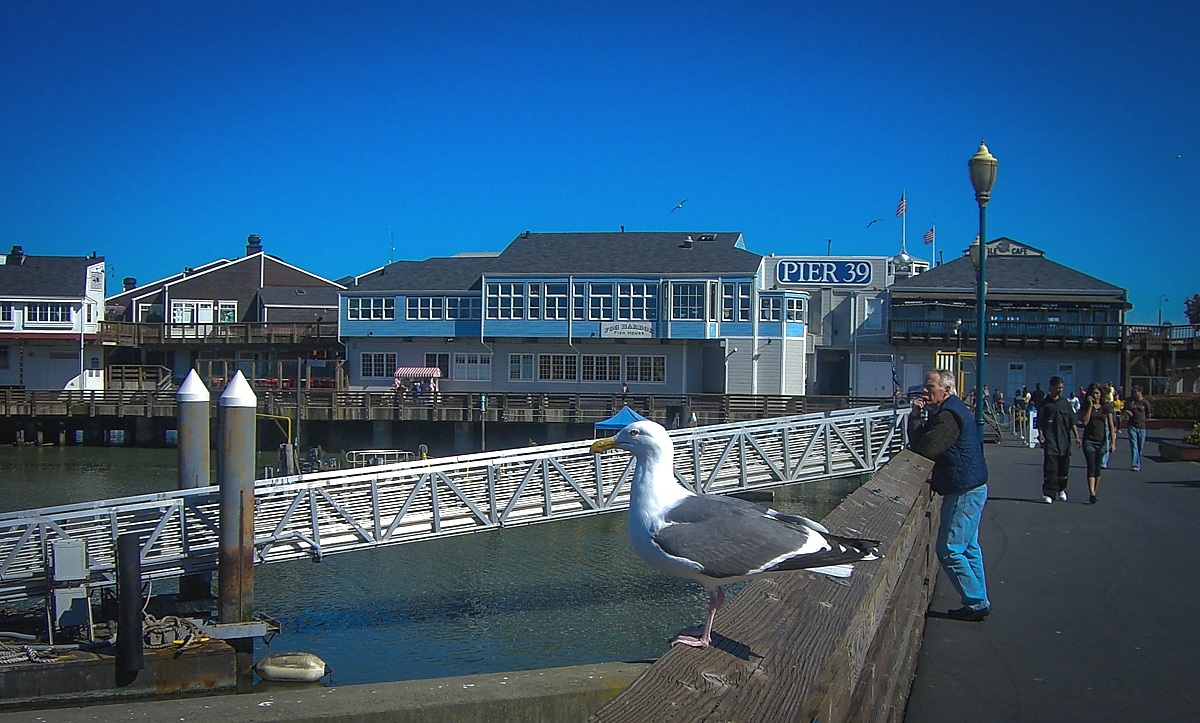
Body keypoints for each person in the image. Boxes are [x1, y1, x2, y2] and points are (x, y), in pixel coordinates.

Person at [908, 368, 991, 622]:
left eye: (930, 386)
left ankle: (976, 602)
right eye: (925, 385)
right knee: (969, 548)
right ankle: (979, 599)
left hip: (963, 489)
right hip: (972, 487)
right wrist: (916, 416)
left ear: (946, 390)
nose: (925, 390)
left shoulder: (948, 418)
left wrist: (917, 420)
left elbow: (925, 449)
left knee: (949, 549)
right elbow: (923, 443)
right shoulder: (947, 411)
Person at [1037, 376, 1079, 504]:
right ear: (1051, 387)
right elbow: (1040, 422)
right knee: (1051, 468)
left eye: (1061, 388)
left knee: (1063, 468)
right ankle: (1049, 493)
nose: (1060, 390)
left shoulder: (1065, 403)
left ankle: (1061, 489)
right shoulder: (1045, 404)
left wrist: (1077, 437)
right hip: (1051, 441)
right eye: (1057, 388)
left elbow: (1072, 421)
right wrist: (1041, 435)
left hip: (1064, 442)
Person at [1080, 383, 1116, 503]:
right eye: (1094, 393)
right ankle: (1092, 493)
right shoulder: (1086, 406)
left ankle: (1095, 490)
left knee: (1098, 467)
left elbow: (1111, 425)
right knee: (1091, 465)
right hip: (1089, 440)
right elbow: (1085, 422)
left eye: (1098, 393)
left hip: (1101, 440)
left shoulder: (1106, 407)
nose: (1096, 395)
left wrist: (1113, 442)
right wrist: (1090, 406)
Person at [1124, 386, 1152, 471]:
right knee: (1134, 446)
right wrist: (1127, 412)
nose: (1134, 393)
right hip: (1132, 425)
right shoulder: (1130, 401)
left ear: (1140, 392)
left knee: (1140, 447)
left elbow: (1148, 414)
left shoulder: (1145, 402)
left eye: (1136, 391)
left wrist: (1144, 420)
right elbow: (1124, 409)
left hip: (1142, 427)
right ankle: (1135, 464)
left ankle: (1138, 462)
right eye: (1133, 392)